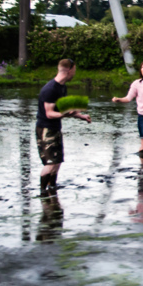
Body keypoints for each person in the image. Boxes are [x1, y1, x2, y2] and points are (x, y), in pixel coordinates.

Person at [37, 58, 91, 195]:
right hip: (45, 129)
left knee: (57, 162)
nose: (75, 73)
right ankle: (43, 192)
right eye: (75, 70)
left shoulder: (62, 87)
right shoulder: (50, 89)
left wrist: (81, 116)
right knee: (50, 164)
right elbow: (49, 114)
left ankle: (52, 189)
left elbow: (65, 109)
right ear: (69, 70)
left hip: (55, 128)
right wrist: (65, 114)